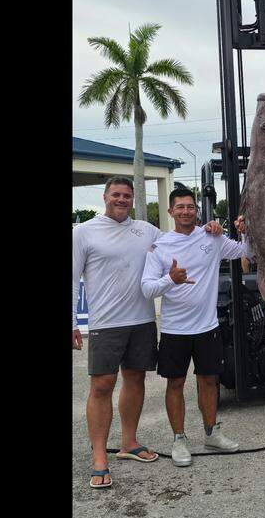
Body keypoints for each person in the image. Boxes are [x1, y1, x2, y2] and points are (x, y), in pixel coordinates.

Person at [73, 176, 224, 488]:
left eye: (127, 195)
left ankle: (129, 443)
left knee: (135, 379)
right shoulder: (84, 232)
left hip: (142, 320)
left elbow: (183, 235)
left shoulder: (147, 231)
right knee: (102, 384)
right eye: (116, 194)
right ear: (104, 197)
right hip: (105, 322)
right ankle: (99, 456)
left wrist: (211, 226)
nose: (122, 200)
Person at [140, 188, 249, 467]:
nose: (186, 211)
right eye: (180, 207)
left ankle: (211, 433)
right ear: (170, 212)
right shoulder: (161, 246)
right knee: (175, 383)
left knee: (209, 380)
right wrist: (170, 280)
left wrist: (244, 231)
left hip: (207, 327)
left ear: (197, 210)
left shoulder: (211, 237)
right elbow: (147, 288)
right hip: (175, 330)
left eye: (190, 207)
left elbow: (243, 252)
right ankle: (179, 439)